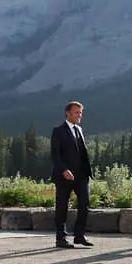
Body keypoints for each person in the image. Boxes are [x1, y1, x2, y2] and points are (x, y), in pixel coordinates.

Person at [50, 101, 94, 249]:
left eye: (81, 113)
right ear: (67, 113)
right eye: (76, 112)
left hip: (81, 175)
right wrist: (64, 170)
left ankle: (79, 235)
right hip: (64, 176)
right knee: (62, 206)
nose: (79, 115)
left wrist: (88, 172)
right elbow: (55, 154)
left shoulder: (79, 130)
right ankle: (60, 237)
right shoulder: (58, 131)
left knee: (85, 204)